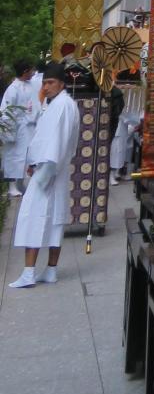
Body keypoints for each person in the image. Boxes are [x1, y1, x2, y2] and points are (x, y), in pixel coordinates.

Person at [9, 61, 80, 288]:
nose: (46, 87)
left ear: (61, 83)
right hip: (53, 170)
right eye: (45, 83)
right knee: (54, 220)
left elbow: (55, 144)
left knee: (35, 218)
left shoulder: (62, 106)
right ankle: (50, 270)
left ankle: (29, 272)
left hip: (49, 171)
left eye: (50, 83)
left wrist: (42, 173)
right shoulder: (60, 103)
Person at [1, 59, 41, 199]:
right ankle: (12, 186)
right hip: (17, 128)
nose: (32, 73)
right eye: (30, 70)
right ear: (25, 71)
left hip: (29, 127)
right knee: (14, 156)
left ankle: (21, 183)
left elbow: (36, 104)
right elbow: (7, 111)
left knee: (28, 157)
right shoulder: (13, 88)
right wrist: (8, 132)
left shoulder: (31, 85)